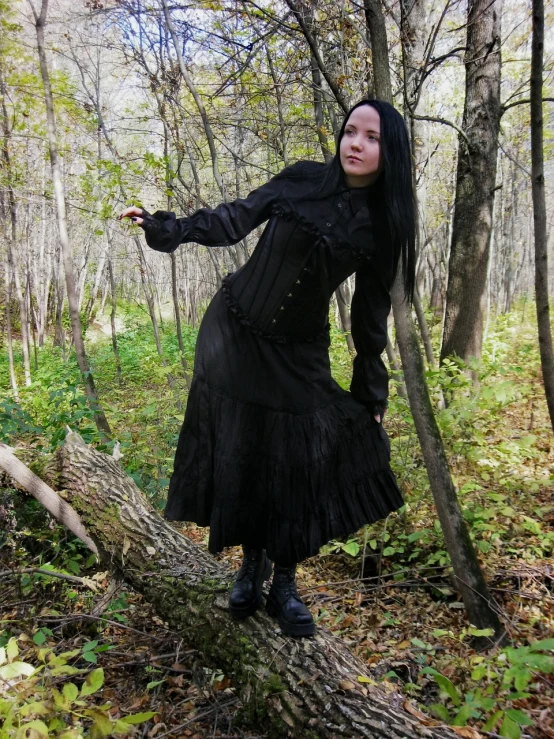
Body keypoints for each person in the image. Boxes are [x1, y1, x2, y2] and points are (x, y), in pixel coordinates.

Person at [119, 99, 415, 638]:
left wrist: (372, 394)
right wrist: (170, 227)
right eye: (351, 131)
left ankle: (285, 583)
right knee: (247, 449)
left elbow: (370, 316)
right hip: (234, 332)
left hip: (299, 352)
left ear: (389, 149)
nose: (356, 143)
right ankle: (248, 569)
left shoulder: (383, 225)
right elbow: (234, 218)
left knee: (295, 459)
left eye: (371, 137)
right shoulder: (302, 178)